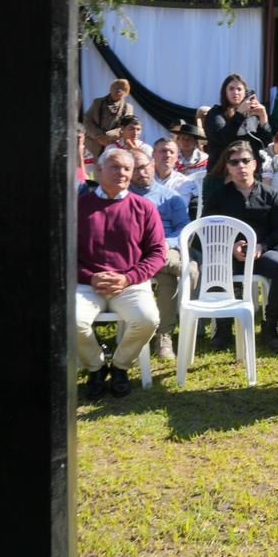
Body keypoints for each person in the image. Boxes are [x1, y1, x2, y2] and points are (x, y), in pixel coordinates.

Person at [76, 148, 165, 399]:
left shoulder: (144, 208)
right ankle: (96, 367)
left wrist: (129, 278)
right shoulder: (78, 207)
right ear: (98, 170)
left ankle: (120, 366)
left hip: (129, 283)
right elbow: (63, 253)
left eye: (127, 168)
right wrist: (90, 277)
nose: (122, 173)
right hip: (87, 283)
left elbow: (158, 253)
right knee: (71, 320)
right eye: (115, 167)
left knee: (147, 319)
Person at [202, 140, 278, 351]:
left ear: (254, 164)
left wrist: (262, 246)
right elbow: (206, 229)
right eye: (234, 162)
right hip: (227, 254)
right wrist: (229, 247)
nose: (240, 166)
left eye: (245, 160)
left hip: (260, 253)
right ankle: (223, 328)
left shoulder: (271, 195)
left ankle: (270, 327)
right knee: (215, 267)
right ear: (228, 167)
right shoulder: (218, 197)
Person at [128, 150, 191, 361]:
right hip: (135, 251)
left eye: (144, 166)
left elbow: (183, 228)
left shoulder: (171, 197)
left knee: (166, 279)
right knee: (176, 273)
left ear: (153, 165)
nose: (141, 172)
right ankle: (185, 269)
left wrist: (166, 243)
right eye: (135, 169)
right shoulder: (124, 197)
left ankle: (164, 336)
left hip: (165, 247)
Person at [204, 74, 273, 176]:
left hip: (249, 173)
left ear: (245, 92)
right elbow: (223, 138)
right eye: (231, 89)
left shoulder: (253, 115)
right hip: (222, 172)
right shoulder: (216, 113)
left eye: (239, 89)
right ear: (225, 92)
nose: (235, 92)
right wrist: (239, 114)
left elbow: (265, 142)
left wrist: (263, 118)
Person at [83, 78, 135, 160]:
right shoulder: (97, 102)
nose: (119, 90)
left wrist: (107, 136)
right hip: (93, 145)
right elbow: (87, 119)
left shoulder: (128, 108)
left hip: (114, 146)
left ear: (126, 93)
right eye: (116, 87)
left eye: (122, 89)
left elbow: (126, 127)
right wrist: (98, 135)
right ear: (110, 89)